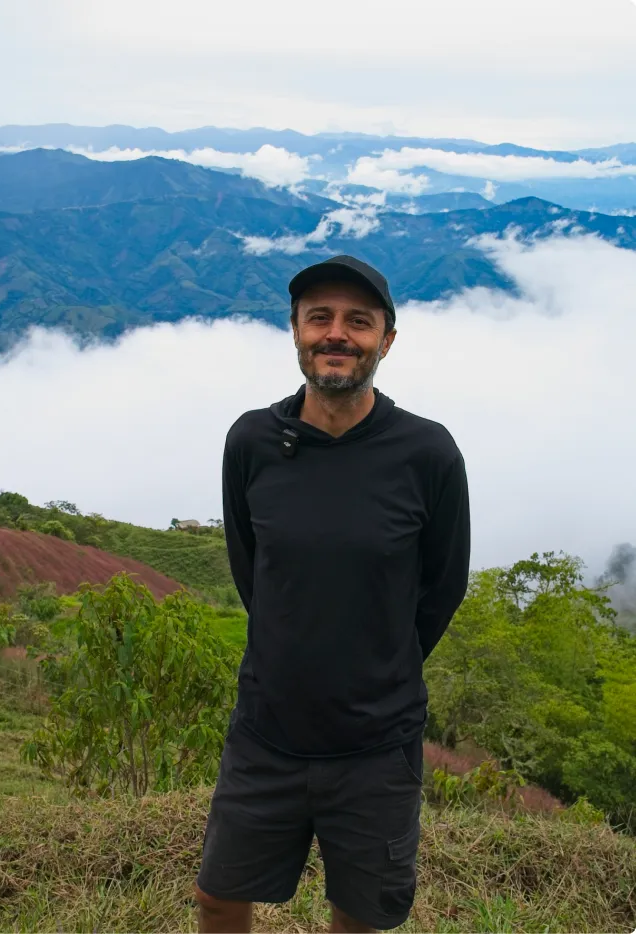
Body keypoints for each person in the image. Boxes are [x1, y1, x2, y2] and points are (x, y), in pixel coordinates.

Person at [195, 255, 471, 933]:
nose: (337, 334)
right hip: (266, 731)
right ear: (295, 330)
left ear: (386, 340)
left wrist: (381, 663)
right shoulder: (252, 441)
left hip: (378, 745)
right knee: (219, 896)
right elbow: (252, 570)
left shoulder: (428, 453)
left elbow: (443, 586)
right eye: (319, 318)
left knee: (359, 916)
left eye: (358, 321)